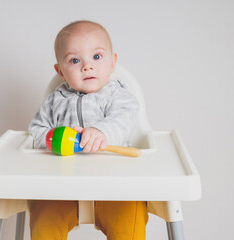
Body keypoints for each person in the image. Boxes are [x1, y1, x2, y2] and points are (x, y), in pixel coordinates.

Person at [28, 20, 148, 240]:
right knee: (43, 221)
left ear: (113, 63)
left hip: (115, 184)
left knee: (129, 222)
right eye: (75, 60)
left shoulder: (119, 95)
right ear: (60, 71)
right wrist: (52, 139)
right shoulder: (55, 100)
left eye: (97, 57)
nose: (87, 66)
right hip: (61, 185)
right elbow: (37, 128)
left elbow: (122, 119)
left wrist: (100, 132)